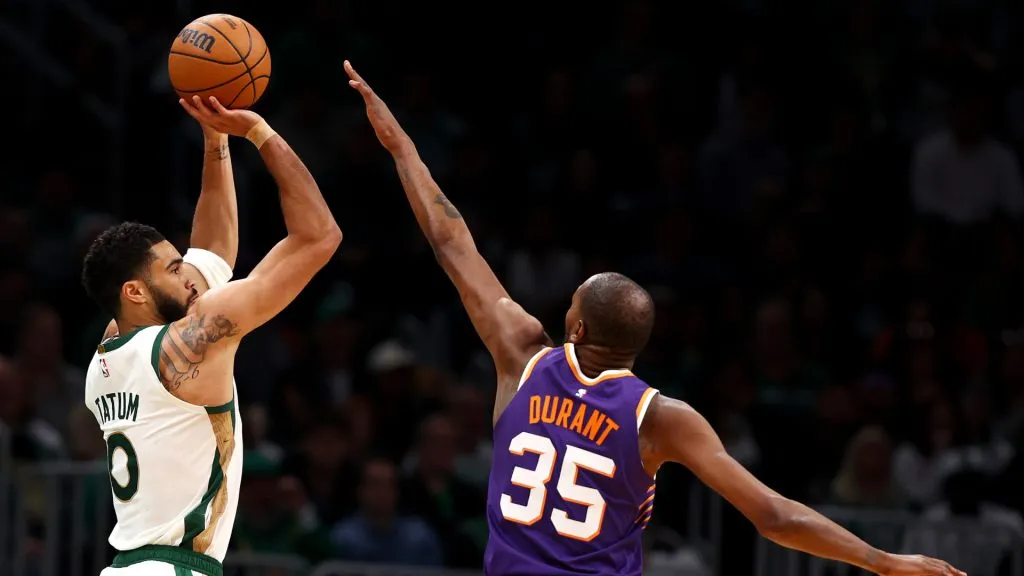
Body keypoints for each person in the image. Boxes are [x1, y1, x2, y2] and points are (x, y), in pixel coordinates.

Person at [344, 61, 964, 576]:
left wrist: (404, 150)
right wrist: (882, 561)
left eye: (571, 307)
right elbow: (775, 516)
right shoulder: (662, 419)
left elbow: (453, 244)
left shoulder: (521, 353)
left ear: (578, 329)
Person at [81, 95, 342, 576]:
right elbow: (319, 235)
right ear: (136, 290)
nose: (189, 276)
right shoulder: (191, 342)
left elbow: (212, 250)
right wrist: (260, 131)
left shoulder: (110, 346)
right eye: (174, 269)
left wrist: (214, 140)